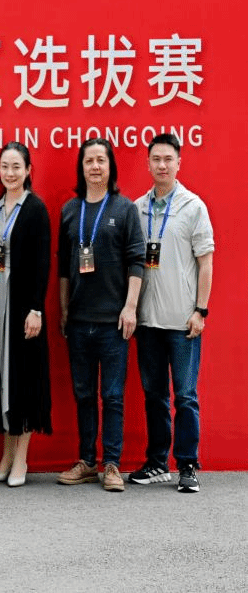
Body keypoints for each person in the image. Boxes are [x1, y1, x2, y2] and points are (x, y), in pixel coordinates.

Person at [56, 138, 144, 493]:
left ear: (110, 167)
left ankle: (112, 464)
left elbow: (137, 261)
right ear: (82, 168)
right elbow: (63, 268)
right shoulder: (70, 210)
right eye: (89, 161)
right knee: (83, 395)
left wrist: (130, 307)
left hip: (113, 322)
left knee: (112, 396)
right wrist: (64, 310)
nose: (95, 167)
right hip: (78, 321)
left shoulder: (125, 209)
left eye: (101, 161)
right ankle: (87, 461)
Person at [130, 134, 213, 494]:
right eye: (156, 159)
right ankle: (157, 462)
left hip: (183, 323)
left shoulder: (193, 207)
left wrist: (200, 310)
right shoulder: (137, 209)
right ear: (148, 164)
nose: (162, 165)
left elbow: (205, 263)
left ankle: (188, 465)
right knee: (154, 395)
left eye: (168, 159)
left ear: (179, 163)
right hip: (148, 321)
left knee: (185, 396)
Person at [0, 143, 53, 488]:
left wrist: (36, 308)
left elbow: (41, 263)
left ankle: (21, 458)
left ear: (28, 170)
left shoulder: (35, 209)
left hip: (22, 305)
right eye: (5, 166)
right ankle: (6, 457)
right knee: (2, 377)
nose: (10, 173)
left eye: (16, 167)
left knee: (22, 378)